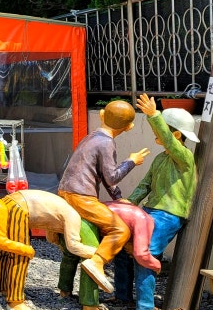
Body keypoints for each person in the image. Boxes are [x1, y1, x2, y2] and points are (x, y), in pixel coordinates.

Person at [115, 94, 198, 310]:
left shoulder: (184, 157)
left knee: (145, 252)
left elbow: (170, 142)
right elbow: (145, 184)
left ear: (177, 135)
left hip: (168, 215)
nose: (157, 136)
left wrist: (153, 115)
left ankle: (144, 308)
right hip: (149, 212)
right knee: (122, 245)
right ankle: (122, 296)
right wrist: (129, 203)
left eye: (163, 131)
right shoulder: (161, 158)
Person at [57, 100, 149, 293]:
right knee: (120, 230)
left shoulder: (92, 137)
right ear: (129, 127)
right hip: (80, 196)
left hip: (66, 191)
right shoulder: (106, 143)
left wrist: (117, 196)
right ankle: (97, 262)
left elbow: (106, 177)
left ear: (101, 115)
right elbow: (112, 175)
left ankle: (65, 289)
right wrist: (131, 161)